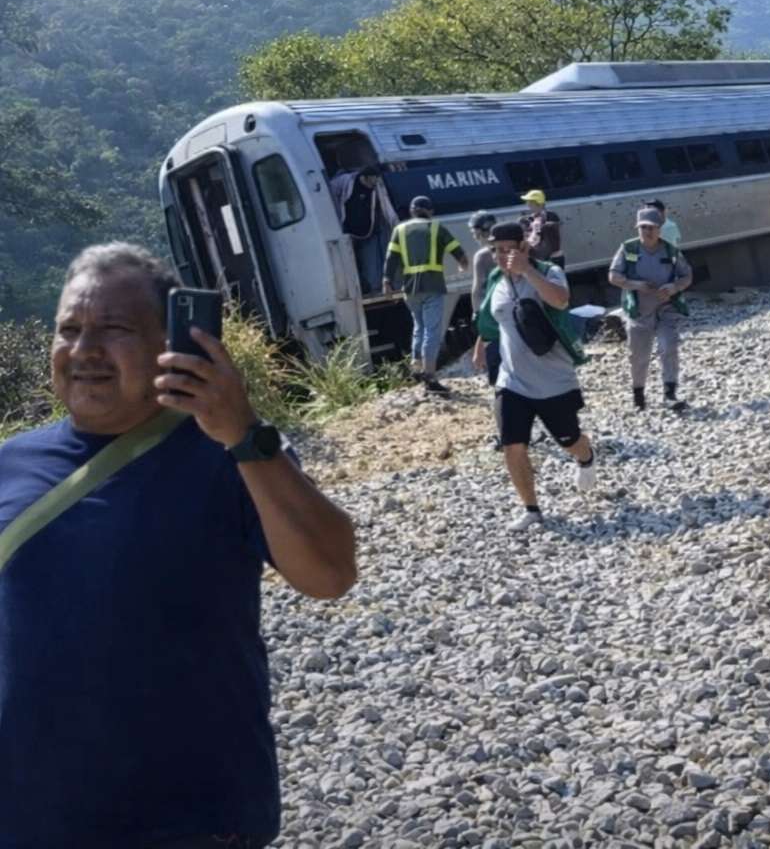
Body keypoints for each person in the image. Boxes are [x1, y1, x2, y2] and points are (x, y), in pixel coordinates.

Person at [0, 242, 356, 849]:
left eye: (113, 330)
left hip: (186, 821)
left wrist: (244, 434)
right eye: (69, 329)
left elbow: (331, 573)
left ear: (171, 342)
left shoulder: (226, 453)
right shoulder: (12, 462)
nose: (84, 351)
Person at [472, 221, 596, 531]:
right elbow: (492, 318)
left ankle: (585, 456)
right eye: (495, 251)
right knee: (512, 444)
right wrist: (480, 346)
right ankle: (531, 509)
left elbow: (560, 300)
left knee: (569, 440)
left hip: (554, 380)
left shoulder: (547, 271)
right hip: (512, 381)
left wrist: (527, 270)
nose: (501, 257)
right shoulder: (495, 279)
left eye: (507, 250)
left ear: (524, 247)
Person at [382, 195, 470, 393]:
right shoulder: (436, 228)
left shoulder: (399, 229)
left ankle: (416, 368)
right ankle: (430, 376)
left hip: (410, 288)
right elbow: (459, 252)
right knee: (432, 330)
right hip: (432, 285)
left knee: (418, 327)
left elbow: (391, 258)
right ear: (430, 211)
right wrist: (463, 265)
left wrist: (386, 281)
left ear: (412, 211)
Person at [609, 207, 693, 411]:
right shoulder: (628, 249)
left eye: (652, 227)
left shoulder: (671, 251)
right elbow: (613, 276)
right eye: (643, 227)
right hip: (639, 312)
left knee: (669, 347)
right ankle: (639, 395)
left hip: (666, 309)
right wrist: (637, 285)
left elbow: (687, 276)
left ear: (660, 228)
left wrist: (673, 287)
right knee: (638, 355)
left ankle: (670, 394)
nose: (647, 231)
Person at [328, 164, 398, 294]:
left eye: (376, 180)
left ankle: (372, 287)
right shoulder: (346, 182)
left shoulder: (377, 186)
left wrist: (395, 223)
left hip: (367, 232)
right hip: (347, 231)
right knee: (349, 263)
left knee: (369, 265)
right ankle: (355, 289)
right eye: (372, 180)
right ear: (364, 177)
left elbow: (386, 204)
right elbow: (328, 191)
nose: (374, 184)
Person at [468, 210, 500, 386]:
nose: (474, 237)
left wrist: (478, 320)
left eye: (474, 233)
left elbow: (478, 290)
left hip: (493, 318)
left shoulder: (482, 256)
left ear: (481, 231)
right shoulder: (516, 247)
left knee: (499, 376)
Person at [518, 189, 564, 267]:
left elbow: (552, 233)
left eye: (529, 202)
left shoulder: (551, 216)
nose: (527, 204)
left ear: (537, 203)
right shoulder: (529, 218)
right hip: (538, 256)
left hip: (552, 257)